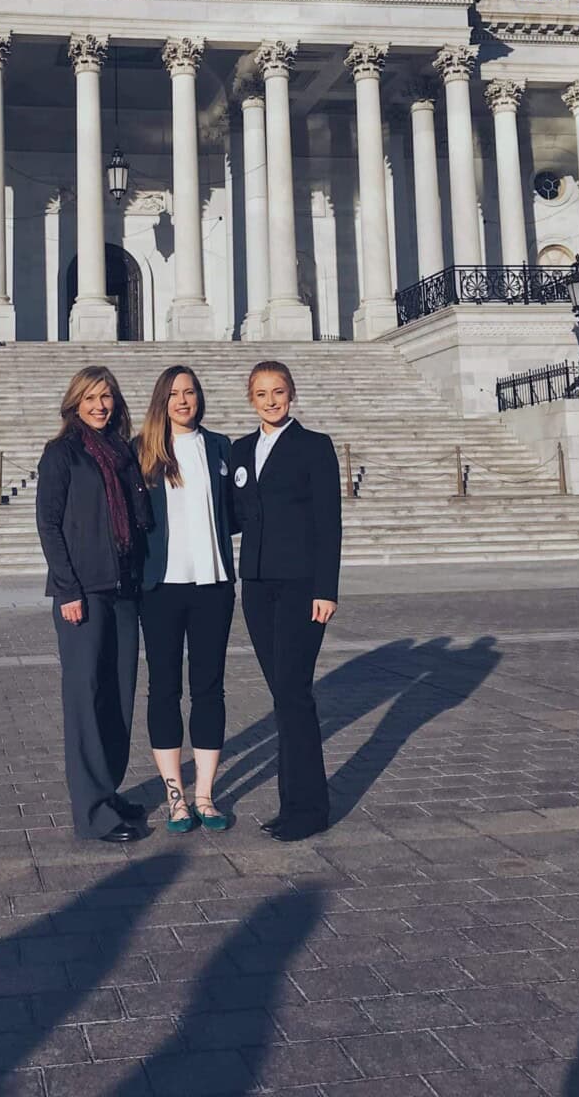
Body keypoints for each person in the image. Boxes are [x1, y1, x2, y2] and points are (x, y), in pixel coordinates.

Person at [36, 365, 153, 843]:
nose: (99, 406)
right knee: (85, 697)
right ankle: (91, 811)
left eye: (106, 397)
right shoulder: (62, 454)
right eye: (90, 398)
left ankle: (108, 789)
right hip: (82, 593)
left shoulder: (123, 453)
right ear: (74, 403)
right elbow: (49, 525)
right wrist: (67, 590)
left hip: (124, 588)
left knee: (119, 694)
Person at [230, 360, 342, 842]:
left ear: (291, 394)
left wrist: (325, 589)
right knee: (283, 695)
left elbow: (329, 521)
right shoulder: (239, 450)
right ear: (250, 399)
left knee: (294, 694)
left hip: (300, 586)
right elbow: (232, 515)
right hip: (256, 586)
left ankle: (310, 808)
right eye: (261, 393)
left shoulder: (314, 446)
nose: (271, 400)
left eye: (278, 391)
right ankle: (291, 803)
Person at [135, 366, 236, 833]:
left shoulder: (220, 447)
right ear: (162, 400)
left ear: (200, 397)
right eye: (174, 393)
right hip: (161, 587)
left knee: (209, 688)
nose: (183, 400)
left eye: (189, 392)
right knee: (164, 690)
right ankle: (176, 796)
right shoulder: (143, 451)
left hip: (213, 585)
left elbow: (236, 513)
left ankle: (205, 795)